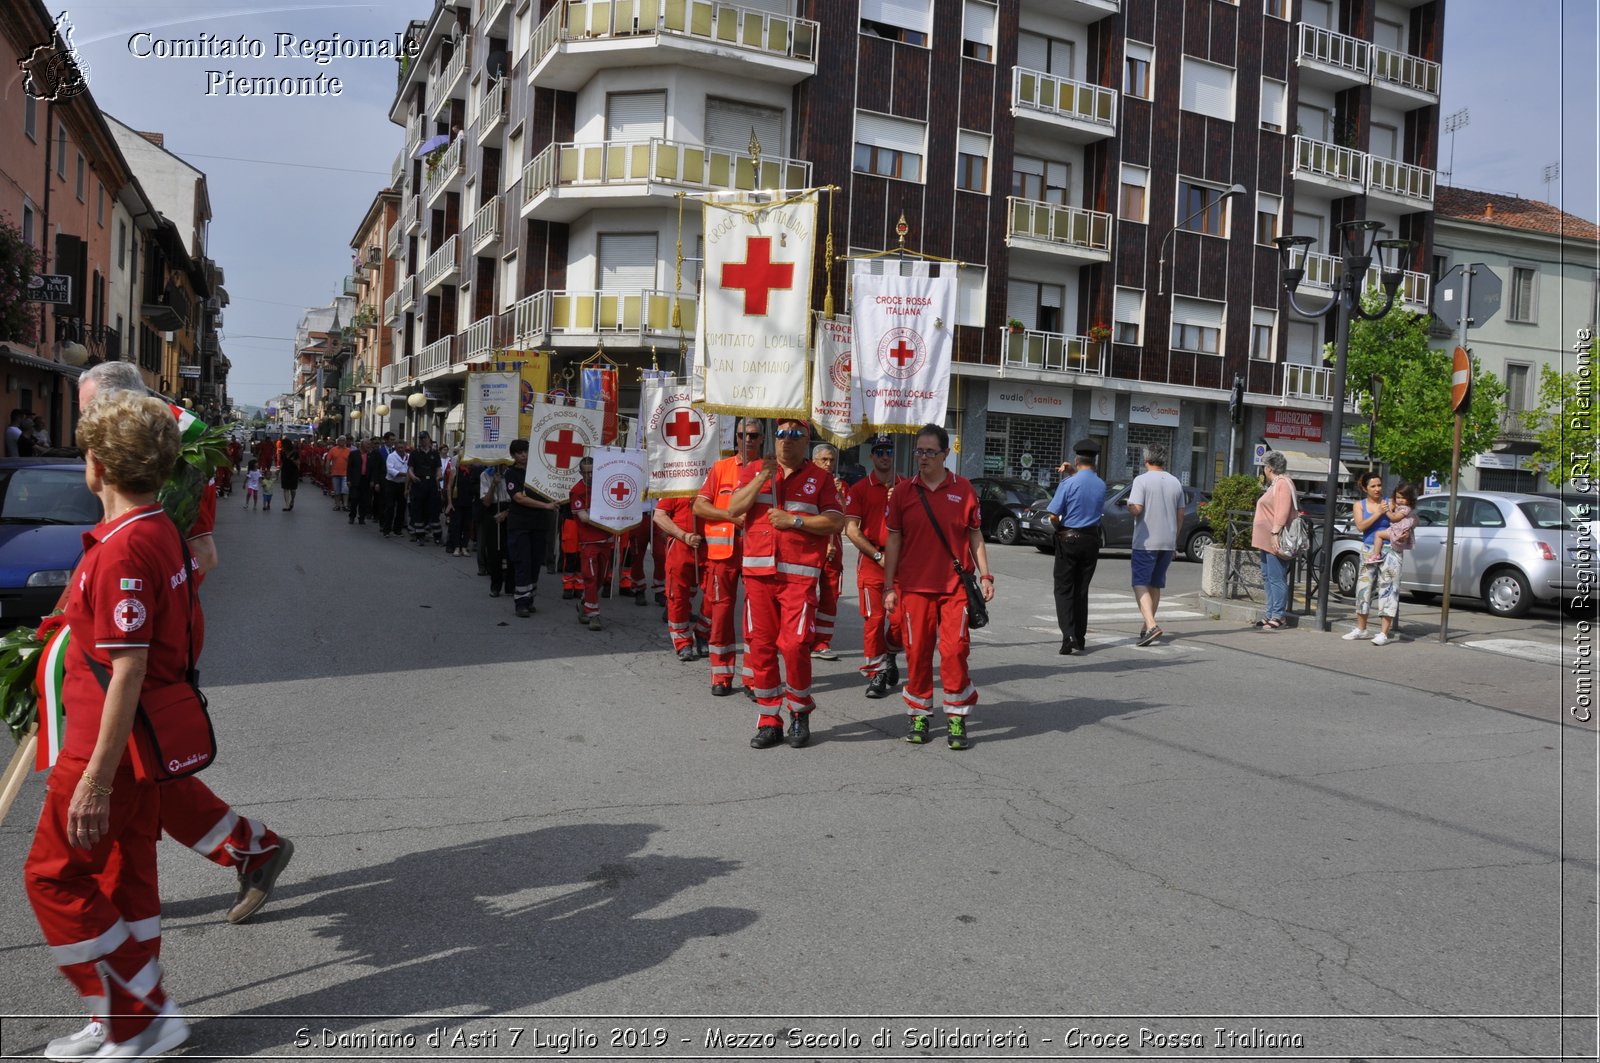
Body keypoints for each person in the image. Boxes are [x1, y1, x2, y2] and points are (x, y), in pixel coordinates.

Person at [24, 392, 193, 1061]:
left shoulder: (122, 549)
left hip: (109, 747)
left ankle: (140, 1012)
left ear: (97, 467)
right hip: (145, 744)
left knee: (53, 877)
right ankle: (122, 1018)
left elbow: (126, 668)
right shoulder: (158, 529)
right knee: (129, 877)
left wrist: (93, 777)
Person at [724, 418, 845, 749]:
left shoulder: (819, 479)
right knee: (760, 649)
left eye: (795, 435)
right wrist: (762, 476)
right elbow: (733, 509)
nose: (786, 441)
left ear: (807, 440)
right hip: (759, 577)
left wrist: (795, 521)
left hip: (798, 578)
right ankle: (768, 719)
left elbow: (835, 520)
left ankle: (799, 712)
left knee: (793, 646)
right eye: (780, 434)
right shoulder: (754, 471)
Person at [881, 424, 993, 750]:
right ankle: (919, 713)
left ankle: (956, 715)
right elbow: (893, 539)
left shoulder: (964, 489)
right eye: (919, 451)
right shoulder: (903, 492)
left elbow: (975, 535)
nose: (923, 457)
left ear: (946, 454)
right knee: (916, 654)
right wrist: (889, 586)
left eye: (931, 452)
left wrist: (986, 575)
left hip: (955, 587)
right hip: (914, 588)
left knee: (955, 651)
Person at [693, 418, 766, 697]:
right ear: (735, 437)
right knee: (721, 617)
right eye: (742, 435)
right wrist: (729, 516)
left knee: (755, 619)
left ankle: (753, 678)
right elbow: (699, 506)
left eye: (753, 435)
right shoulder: (721, 468)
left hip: (757, 554)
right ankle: (721, 675)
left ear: (761, 438)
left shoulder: (768, 470)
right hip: (723, 556)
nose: (747, 440)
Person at [843, 435, 906, 697]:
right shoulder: (858, 489)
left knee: (900, 621)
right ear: (872, 455)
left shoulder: (907, 486)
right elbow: (851, 530)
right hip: (872, 562)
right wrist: (876, 556)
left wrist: (898, 499)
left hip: (903, 564)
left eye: (888, 451)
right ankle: (877, 673)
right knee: (873, 621)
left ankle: (890, 654)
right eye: (879, 451)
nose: (884, 455)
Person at [1046, 440, 1107, 655]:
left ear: (1076, 459)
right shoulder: (1101, 484)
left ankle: (1068, 635)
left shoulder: (1068, 484)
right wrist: (1073, 473)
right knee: (1081, 589)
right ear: (1094, 460)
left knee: (1063, 589)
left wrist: (1059, 527)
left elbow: (1053, 514)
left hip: (1069, 538)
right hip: (1091, 540)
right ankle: (1080, 638)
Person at [1126, 444, 1185, 646]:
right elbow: (1180, 516)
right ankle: (1146, 627)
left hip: (1146, 541)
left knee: (1140, 583)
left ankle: (1151, 625)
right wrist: (1174, 541)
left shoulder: (1141, 480)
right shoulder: (1175, 482)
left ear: (1146, 460)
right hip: (1168, 542)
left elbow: (1136, 509)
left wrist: (1128, 504)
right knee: (1155, 583)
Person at [1344, 474, 1408, 645]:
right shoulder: (1359, 505)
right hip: (1368, 548)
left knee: (1388, 588)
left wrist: (1407, 532)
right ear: (1365, 488)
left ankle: (1383, 633)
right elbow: (1361, 526)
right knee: (1363, 587)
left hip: (1391, 549)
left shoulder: (1391, 502)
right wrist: (1378, 513)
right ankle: (1361, 628)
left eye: (1379, 485)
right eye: (1373, 486)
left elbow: (1404, 519)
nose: (1377, 489)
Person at [501, 439, 560, 616]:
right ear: (513, 455)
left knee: (535, 563)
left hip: (539, 524)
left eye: (526, 451)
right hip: (520, 525)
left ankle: (530, 597)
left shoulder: (539, 471)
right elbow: (519, 498)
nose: (523, 455)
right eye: (519, 453)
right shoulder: (511, 473)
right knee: (523, 562)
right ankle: (521, 603)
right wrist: (546, 506)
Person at [655, 495, 710, 662]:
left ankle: (703, 632)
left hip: (710, 545)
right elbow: (659, 515)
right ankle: (682, 641)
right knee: (677, 596)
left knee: (715, 595)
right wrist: (683, 535)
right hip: (681, 545)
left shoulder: (713, 482)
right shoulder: (677, 484)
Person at [569, 455, 620, 630]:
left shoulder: (605, 486)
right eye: (586, 472)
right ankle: (594, 615)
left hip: (607, 540)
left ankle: (585, 603)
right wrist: (606, 516)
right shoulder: (577, 490)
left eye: (592, 472)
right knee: (590, 577)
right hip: (589, 542)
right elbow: (583, 517)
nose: (590, 476)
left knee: (601, 578)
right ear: (580, 472)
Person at [1251, 451, 1298, 631]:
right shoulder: (1275, 484)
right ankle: (1270, 613)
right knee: (1268, 576)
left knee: (1276, 577)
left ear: (1269, 467)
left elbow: (1282, 510)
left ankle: (1278, 615)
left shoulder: (1283, 484)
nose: (1264, 470)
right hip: (1266, 538)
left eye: (1264, 467)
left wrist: (1275, 532)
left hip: (1274, 538)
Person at [808, 444, 844, 661]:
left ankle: (822, 642)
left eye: (831, 460)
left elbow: (844, 518)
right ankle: (805, 636)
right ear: (814, 461)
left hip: (834, 550)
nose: (828, 464)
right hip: (812, 546)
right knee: (806, 595)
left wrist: (839, 494)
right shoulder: (807, 482)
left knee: (831, 595)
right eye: (824, 460)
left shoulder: (840, 485)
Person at [479, 461, 512, 598]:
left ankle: (511, 586)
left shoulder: (512, 474)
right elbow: (486, 502)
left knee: (511, 549)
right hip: (493, 510)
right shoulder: (486, 475)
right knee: (494, 550)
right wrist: (494, 484)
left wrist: (507, 513)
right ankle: (495, 585)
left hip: (510, 509)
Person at [408, 433, 444, 545]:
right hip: (419, 483)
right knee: (418, 510)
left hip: (432, 483)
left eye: (425, 438)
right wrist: (413, 477)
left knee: (433, 510)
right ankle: (420, 536)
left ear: (429, 439)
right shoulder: (414, 453)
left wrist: (439, 476)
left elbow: (438, 468)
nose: (423, 441)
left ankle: (437, 536)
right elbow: (410, 468)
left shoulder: (435, 453)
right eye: (421, 439)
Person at [444, 449, 476, 557]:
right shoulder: (455, 471)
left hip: (469, 502)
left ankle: (464, 546)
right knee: (456, 525)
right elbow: (449, 487)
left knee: (467, 525)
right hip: (457, 502)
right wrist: (449, 502)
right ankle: (457, 546)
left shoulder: (472, 472)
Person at [382, 439, 410, 537]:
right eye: (399, 447)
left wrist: (408, 476)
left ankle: (397, 529)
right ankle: (386, 530)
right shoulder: (391, 456)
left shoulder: (408, 456)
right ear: (395, 447)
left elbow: (411, 468)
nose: (401, 449)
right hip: (391, 483)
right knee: (390, 507)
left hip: (403, 485)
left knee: (401, 508)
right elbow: (390, 470)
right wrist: (405, 474)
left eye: (402, 447)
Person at [346, 438, 376, 525]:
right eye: (367, 444)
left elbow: (373, 470)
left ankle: (361, 517)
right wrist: (348, 480)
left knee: (364, 500)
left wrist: (372, 480)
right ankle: (352, 516)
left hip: (366, 480)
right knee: (354, 499)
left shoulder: (370, 455)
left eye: (369, 444)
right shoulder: (354, 454)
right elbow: (349, 468)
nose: (369, 446)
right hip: (355, 480)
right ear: (362, 444)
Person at [327, 437, 351, 511]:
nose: (342, 442)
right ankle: (337, 505)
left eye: (343, 440)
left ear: (345, 441)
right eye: (340, 440)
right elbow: (328, 461)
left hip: (345, 474)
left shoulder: (349, 451)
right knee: (336, 491)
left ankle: (345, 505)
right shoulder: (333, 450)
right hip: (335, 474)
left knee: (345, 490)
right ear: (337, 441)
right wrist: (327, 470)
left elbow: (352, 462)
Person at [278, 446, 299, 512]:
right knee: (285, 488)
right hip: (285, 472)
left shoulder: (295, 453)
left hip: (293, 472)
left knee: (293, 490)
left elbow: (298, 463)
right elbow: (282, 462)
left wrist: (293, 460)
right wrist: (279, 470)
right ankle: (287, 505)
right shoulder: (282, 453)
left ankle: (292, 500)